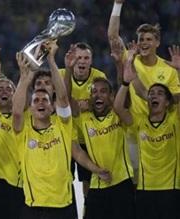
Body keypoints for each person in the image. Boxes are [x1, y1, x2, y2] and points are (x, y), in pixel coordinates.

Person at [13, 41, 110, 219]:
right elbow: (17, 112)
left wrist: (51, 59)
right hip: (33, 209)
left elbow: (64, 98)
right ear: (31, 108)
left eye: (45, 100)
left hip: (63, 209)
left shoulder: (63, 125)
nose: (41, 103)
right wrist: (24, 78)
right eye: (36, 100)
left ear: (52, 108)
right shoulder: (24, 130)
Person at [114, 46, 179, 219]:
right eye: (151, 93)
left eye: (159, 93)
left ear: (167, 102)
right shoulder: (139, 122)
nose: (153, 96)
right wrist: (126, 83)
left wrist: (179, 71)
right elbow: (118, 108)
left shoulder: (175, 122)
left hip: (171, 189)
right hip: (144, 190)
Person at [73, 76, 135, 219]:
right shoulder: (84, 118)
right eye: (94, 92)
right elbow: (67, 102)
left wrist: (122, 69)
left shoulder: (118, 115)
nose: (98, 95)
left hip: (122, 183)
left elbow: (124, 100)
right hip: (97, 184)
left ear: (111, 96)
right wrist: (69, 70)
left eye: (103, 91)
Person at [62, 42, 107, 218]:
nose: (81, 61)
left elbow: (103, 103)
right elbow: (63, 101)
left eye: (86, 58)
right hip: (66, 138)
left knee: (89, 184)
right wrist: (85, 104)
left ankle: (88, 213)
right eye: (78, 57)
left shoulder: (99, 76)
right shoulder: (61, 74)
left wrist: (86, 104)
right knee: (64, 180)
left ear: (91, 61)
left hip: (90, 138)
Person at [0, 76, 24, 219]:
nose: (4, 92)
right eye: (0, 89)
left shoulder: (24, 118)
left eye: (9, 89)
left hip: (19, 184)